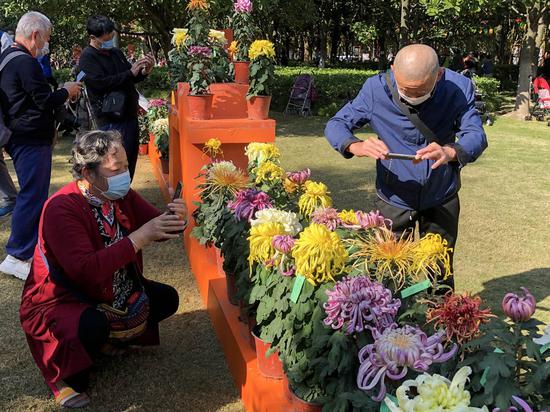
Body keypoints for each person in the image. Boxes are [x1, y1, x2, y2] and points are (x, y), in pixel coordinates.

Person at [20, 130, 187, 408]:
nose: (125, 174)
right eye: (116, 168)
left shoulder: (118, 194)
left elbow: (158, 225)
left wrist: (177, 218)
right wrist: (139, 238)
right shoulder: (62, 208)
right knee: (90, 329)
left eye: (126, 166)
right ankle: (68, 375)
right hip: (63, 298)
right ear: (88, 172)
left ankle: (105, 341)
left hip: (112, 287)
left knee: (166, 299)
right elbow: (84, 271)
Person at [325, 44, 487, 289]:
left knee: (439, 274)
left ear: (439, 75)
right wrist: (355, 146)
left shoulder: (458, 88)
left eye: (421, 90)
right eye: (405, 90)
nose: (412, 97)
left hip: (441, 193)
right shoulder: (375, 89)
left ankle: (440, 321)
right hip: (394, 197)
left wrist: (450, 151)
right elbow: (336, 124)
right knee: (387, 274)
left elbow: (476, 134)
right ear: (393, 70)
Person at [0, 12, 81, 280]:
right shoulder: (24, 62)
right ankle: (17, 254)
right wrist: (67, 91)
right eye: (45, 38)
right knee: (32, 195)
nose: (46, 44)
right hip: (28, 139)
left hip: (22, 137)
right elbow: (44, 100)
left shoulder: (8, 57)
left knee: (33, 194)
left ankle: (27, 248)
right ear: (34, 35)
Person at [79, 15, 154, 179]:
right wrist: (129, 73)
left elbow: (131, 77)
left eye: (111, 35)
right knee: (113, 163)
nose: (110, 39)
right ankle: (112, 198)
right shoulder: (87, 57)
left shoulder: (116, 53)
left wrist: (144, 71)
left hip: (129, 114)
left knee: (129, 160)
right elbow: (99, 83)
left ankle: (126, 195)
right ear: (93, 37)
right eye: (106, 37)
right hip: (110, 118)